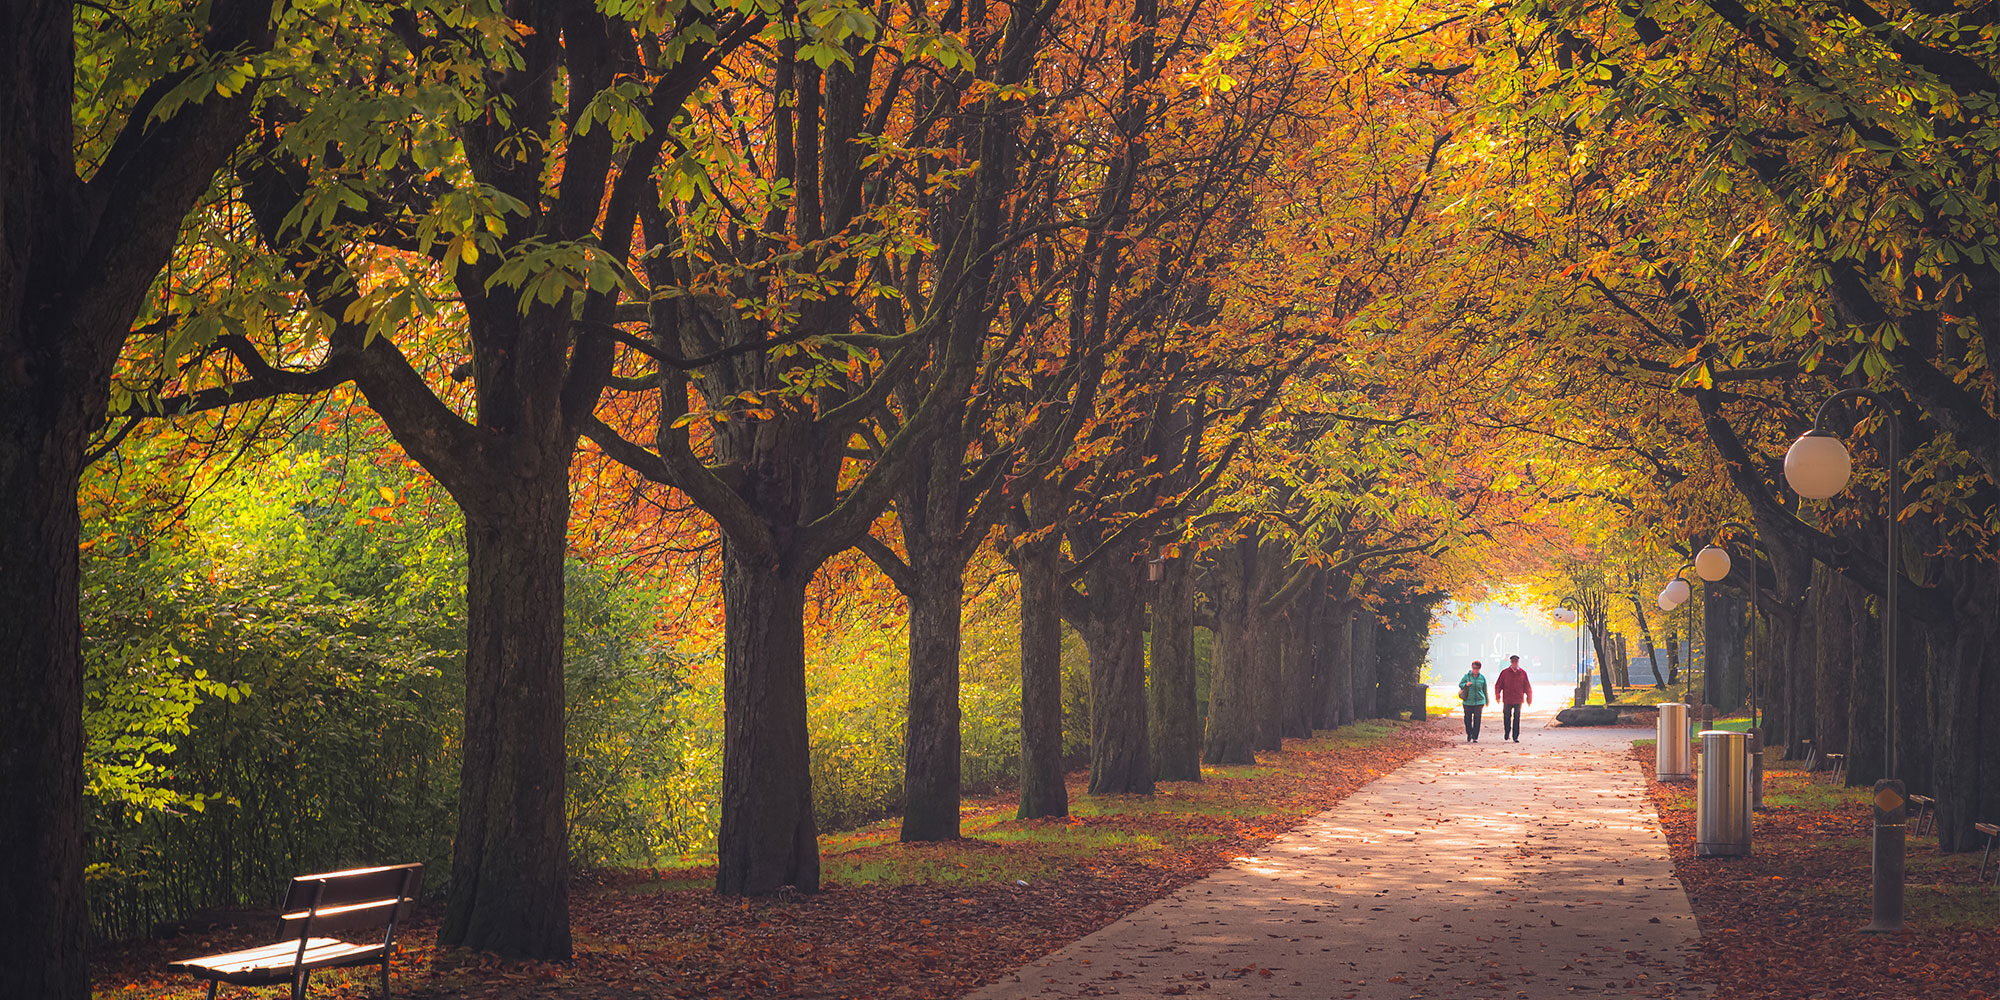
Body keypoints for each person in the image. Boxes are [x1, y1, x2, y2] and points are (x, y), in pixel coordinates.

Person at [1495, 654, 1533, 742]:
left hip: (1518, 699)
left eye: (1516, 662)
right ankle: (1507, 732)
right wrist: (1498, 695)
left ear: (1518, 662)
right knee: (1506, 716)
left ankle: (1515, 736)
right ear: (1511, 662)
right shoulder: (1504, 673)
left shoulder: (1523, 673)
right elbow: (1498, 685)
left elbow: (1527, 686)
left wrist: (1529, 697)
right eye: (1513, 662)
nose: (1515, 664)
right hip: (1507, 699)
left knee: (1517, 717)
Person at [1457, 660, 1489, 742]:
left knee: (1477, 719)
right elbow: (1460, 684)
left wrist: (1486, 700)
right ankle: (1469, 733)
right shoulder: (1467, 676)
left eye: (1477, 668)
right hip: (1468, 701)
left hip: (1479, 701)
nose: (1475, 670)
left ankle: (1475, 737)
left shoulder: (1482, 678)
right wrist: (1465, 684)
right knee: (1467, 719)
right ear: (1472, 668)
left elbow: (1484, 689)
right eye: (1474, 668)